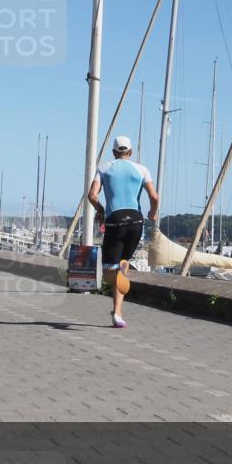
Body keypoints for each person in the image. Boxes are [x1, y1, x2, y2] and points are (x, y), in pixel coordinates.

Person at [87, 136, 159, 328]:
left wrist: (101, 211)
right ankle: (117, 314)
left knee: (109, 269)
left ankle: (118, 285)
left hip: (115, 220)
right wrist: (152, 213)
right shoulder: (142, 169)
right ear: (131, 152)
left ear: (113, 152)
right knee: (123, 265)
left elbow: (92, 196)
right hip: (136, 220)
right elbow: (154, 196)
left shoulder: (104, 167)